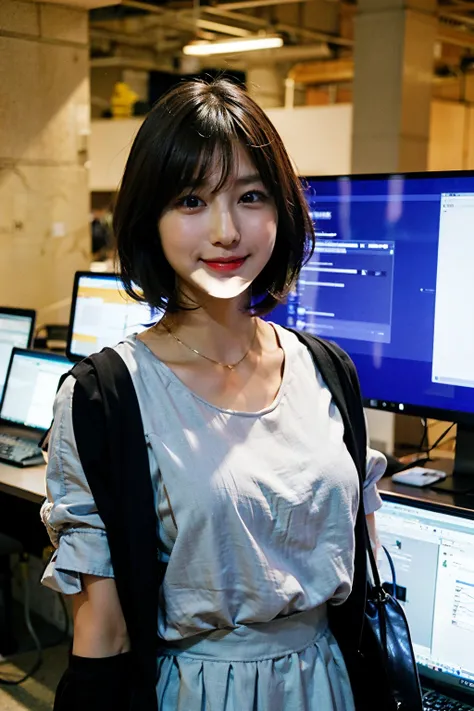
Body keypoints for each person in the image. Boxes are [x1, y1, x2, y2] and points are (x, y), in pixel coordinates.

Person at [40, 78, 386, 711]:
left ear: (280, 209)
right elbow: (103, 633)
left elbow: (362, 578)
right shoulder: (105, 397)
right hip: (199, 693)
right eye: (192, 200)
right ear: (152, 218)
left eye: (250, 196)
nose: (227, 231)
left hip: (332, 685)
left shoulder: (326, 370)